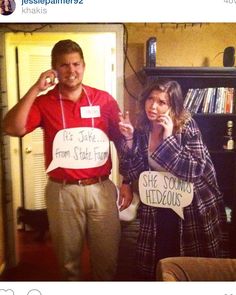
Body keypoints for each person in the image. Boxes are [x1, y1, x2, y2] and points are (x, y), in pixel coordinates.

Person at [3, 39, 127, 281]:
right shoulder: (43, 102)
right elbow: (12, 128)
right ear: (54, 69)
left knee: (107, 261)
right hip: (62, 192)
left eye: (76, 64)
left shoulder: (103, 100)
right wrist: (36, 89)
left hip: (101, 188)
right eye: (64, 65)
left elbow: (122, 142)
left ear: (83, 65)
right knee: (68, 264)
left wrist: (127, 181)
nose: (72, 71)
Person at [118, 79, 229, 280]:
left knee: (190, 258)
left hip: (193, 204)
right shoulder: (143, 129)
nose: (153, 106)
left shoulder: (187, 126)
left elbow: (194, 170)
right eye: (150, 99)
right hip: (159, 199)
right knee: (159, 250)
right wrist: (128, 139)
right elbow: (132, 170)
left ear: (173, 106)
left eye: (162, 102)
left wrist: (168, 139)